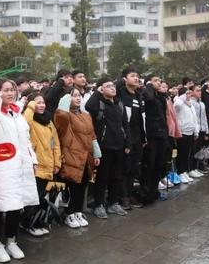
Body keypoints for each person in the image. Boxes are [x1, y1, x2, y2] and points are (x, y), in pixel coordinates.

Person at [0, 79, 39, 263]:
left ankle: (11, 240)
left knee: (17, 205)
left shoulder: (17, 113)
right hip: (1, 168)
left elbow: (26, 139)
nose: (11, 93)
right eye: (6, 90)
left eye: (13, 90)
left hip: (19, 167)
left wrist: (33, 159)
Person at [54, 90, 100, 228]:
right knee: (71, 186)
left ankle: (78, 211)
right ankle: (69, 214)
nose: (78, 98)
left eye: (79, 96)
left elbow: (91, 135)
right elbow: (61, 116)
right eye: (74, 96)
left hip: (86, 156)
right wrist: (65, 99)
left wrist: (96, 153)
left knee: (82, 185)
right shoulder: (64, 115)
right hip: (71, 155)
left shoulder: (86, 115)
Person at [85, 78, 131, 218]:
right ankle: (99, 205)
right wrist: (97, 92)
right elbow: (88, 106)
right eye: (108, 86)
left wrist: (127, 142)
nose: (112, 88)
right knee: (102, 177)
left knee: (117, 176)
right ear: (101, 89)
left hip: (119, 145)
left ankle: (113, 203)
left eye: (113, 86)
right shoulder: (98, 103)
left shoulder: (119, 104)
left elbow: (125, 125)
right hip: (104, 146)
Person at [22, 92, 62, 234]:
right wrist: (30, 105)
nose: (41, 105)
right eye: (37, 102)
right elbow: (25, 122)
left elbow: (55, 143)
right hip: (35, 166)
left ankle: (38, 223)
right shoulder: (29, 119)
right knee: (34, 198)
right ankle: (28, 224)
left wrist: (57, 162)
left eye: (43, 102)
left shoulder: (49, 121)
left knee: (43, 198)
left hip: (49, 166)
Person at [116, 68, 146, 208]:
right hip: (124, 137)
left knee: (134, 168)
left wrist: (143, 138)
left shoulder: (139, 95)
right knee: (125, 168)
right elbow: (112, 85)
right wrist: (121, 80)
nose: (136, 78)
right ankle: (123, 197)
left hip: (137, 137)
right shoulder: (121, 92)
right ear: (125, 79)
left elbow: (140, 119)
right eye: (132, 76)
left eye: (137, 76)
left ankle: (130, 194)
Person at [140, 75, 168, 204]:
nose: (159, 83)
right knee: (149, 165)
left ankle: (154, 190)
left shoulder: (160, 97)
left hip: (161, 134)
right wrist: (150, 85)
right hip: (151, 135)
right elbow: (149, 99)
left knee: (159, 164)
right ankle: (146, 193)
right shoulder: (147, 94)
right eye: (155, 81)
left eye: (159, 81)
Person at [174, 87, 201, 183]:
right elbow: (176, 105)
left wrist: (196, 131)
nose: (189, 95)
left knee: (187, 153)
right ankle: (180, 172)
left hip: (190, 131)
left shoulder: (191, 105)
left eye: (190, 93)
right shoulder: (179, 104)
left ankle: (184, 171)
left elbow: (195, 119)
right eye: (187, 93)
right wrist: (181, 98)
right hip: (182, 132)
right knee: (181, 153)